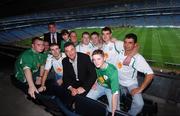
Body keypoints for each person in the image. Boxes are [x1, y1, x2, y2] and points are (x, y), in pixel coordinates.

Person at [115, 33, 154, 116]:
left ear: (135, 44)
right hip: (117, 81)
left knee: (139, 103)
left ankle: (130, 114)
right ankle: (117, 113)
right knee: (115, 101)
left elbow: (150, 74)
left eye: (130, 43)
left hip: (130, 83)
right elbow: (110, 39)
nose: (126, 45)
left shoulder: (138, 58)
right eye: (125, 42)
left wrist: (140, 89)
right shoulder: (119, 47)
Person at [56, 42, 97, 106]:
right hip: (73, 84)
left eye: (72, 49)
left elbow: (93, 75)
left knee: (81, 103)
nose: (70, 53)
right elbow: (66, 77)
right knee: (64, 100)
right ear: (65, 53)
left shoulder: (85, 57)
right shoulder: (64, 61)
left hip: (85, 83)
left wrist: (84, 88)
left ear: (75, 49)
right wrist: (71, 88)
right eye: (67, 51)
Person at [86, 49, 119, 116]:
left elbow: (115, 94)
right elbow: (97, 75)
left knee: (114, 110)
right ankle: (103, 106)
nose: (96, 62)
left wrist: (113, 114)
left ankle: (107, 108)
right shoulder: (96, 66)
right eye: (94, 59)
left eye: (98, 59)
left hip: (110, 89)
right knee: (87, 100)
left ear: (104, 58)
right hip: (100, 85)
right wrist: (95, 82)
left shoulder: (112, 71)